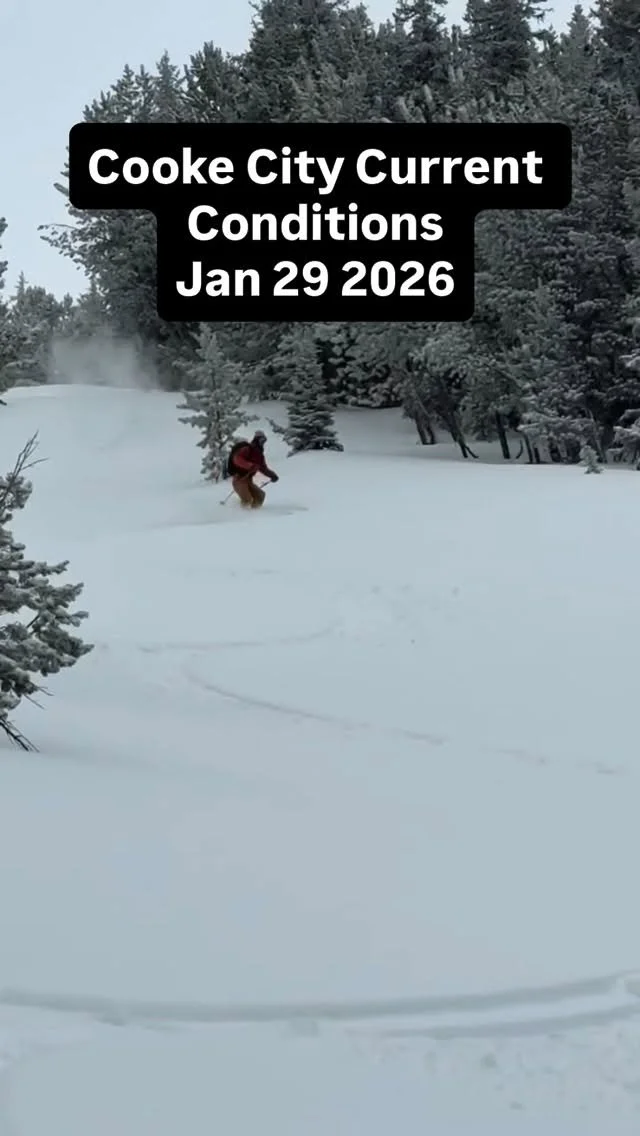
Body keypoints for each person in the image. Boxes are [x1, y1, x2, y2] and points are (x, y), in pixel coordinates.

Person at [229, 430, 279, 508]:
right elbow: (237, 459)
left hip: (248, 480)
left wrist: (272, 475)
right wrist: (250, 466)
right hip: (239, 479)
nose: (263, 442)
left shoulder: (259, 455)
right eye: (261, 440)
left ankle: (255, 513)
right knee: (247, 499)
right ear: (257, 440)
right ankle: (241, 514)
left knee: (260, 496)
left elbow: (263, 468)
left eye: (264, 441)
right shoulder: (247, 449)